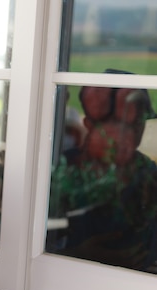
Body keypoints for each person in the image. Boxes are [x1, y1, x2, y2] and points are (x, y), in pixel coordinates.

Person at [48, 71, 157, 271]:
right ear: (89, 125)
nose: (131, 133)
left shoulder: (149, 173)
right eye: (121, 123)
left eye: (138, 122)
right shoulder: (59, 172)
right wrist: (78, 253)